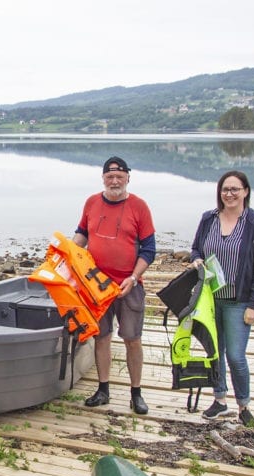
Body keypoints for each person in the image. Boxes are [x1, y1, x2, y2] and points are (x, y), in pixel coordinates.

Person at [73, 156, 156, 415]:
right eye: (110, 176)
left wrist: (133, 277)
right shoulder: (91, 202)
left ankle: (136, 393)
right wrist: (64, 256)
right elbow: (82, 236)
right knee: (102, 337)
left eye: (120, 176)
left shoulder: (139, 207)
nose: (115, 181)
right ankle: (103, 389)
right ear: (103, 178)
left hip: (128, 284)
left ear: (128, 177)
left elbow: (149, 249)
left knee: (132, 339)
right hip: (97, 285)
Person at [190, 170, 254, 427]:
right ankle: (220, 400)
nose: (230, 194)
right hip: (210, 299)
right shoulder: (208, 219)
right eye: (225, 189)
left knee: (236, 356)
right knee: (215, 352)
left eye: (235, 189)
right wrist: (196, 259)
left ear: (245, 191)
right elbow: (196, 248)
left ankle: (244, 405)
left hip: (239, 301)